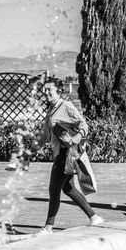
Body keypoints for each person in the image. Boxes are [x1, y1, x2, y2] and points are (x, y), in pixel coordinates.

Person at [33, 77, 103, 234]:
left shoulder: (66, 106)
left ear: (59, 91)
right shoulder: (51, 109)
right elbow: (44, 134)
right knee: (68, 188)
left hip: (67, 154)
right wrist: (31, 151)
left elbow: (83, 125)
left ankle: (48, 227)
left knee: (54, 189)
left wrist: (76, 138)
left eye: (49, 90)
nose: (45, 92)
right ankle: (94, 217)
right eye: (44, 90)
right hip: (62, 153)